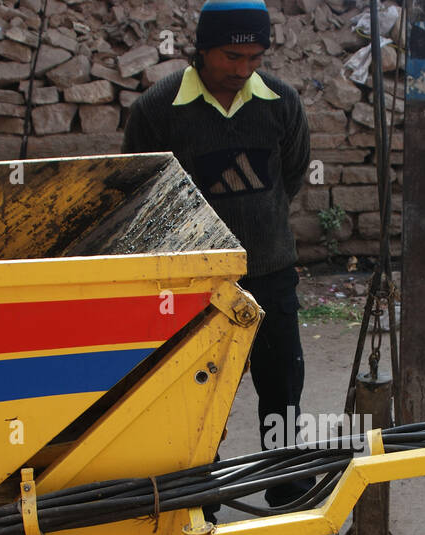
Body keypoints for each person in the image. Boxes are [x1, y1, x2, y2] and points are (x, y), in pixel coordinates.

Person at [122, 0, 313, 509]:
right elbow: (142, 190)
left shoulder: (281, 103)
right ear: (202, 50)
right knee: (198, 392)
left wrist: (257, 229)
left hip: (269, 269)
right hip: (194, 283)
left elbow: (289, 176)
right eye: (231, 56)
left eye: (254, 57)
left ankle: (285, 481)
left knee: (281, 384)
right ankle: (198, 496)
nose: (243, 69)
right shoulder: (159, 109)